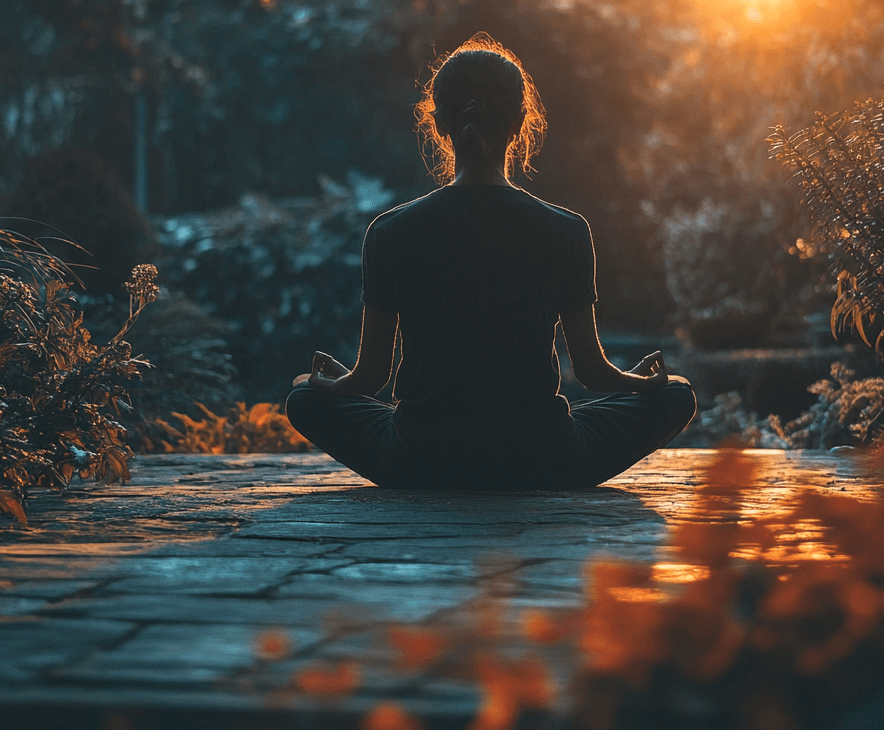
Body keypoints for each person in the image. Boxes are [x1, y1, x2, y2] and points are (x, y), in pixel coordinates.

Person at [286, 33, 696, 489]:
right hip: (544, 457)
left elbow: (371, 378)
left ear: (438, 123)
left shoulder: (389, 231)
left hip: (420, 458)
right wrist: (641, 382)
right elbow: (592, 372)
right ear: (520, 123)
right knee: (677, 394)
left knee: (303, 397)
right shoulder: (566, 229)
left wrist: (329, 385)